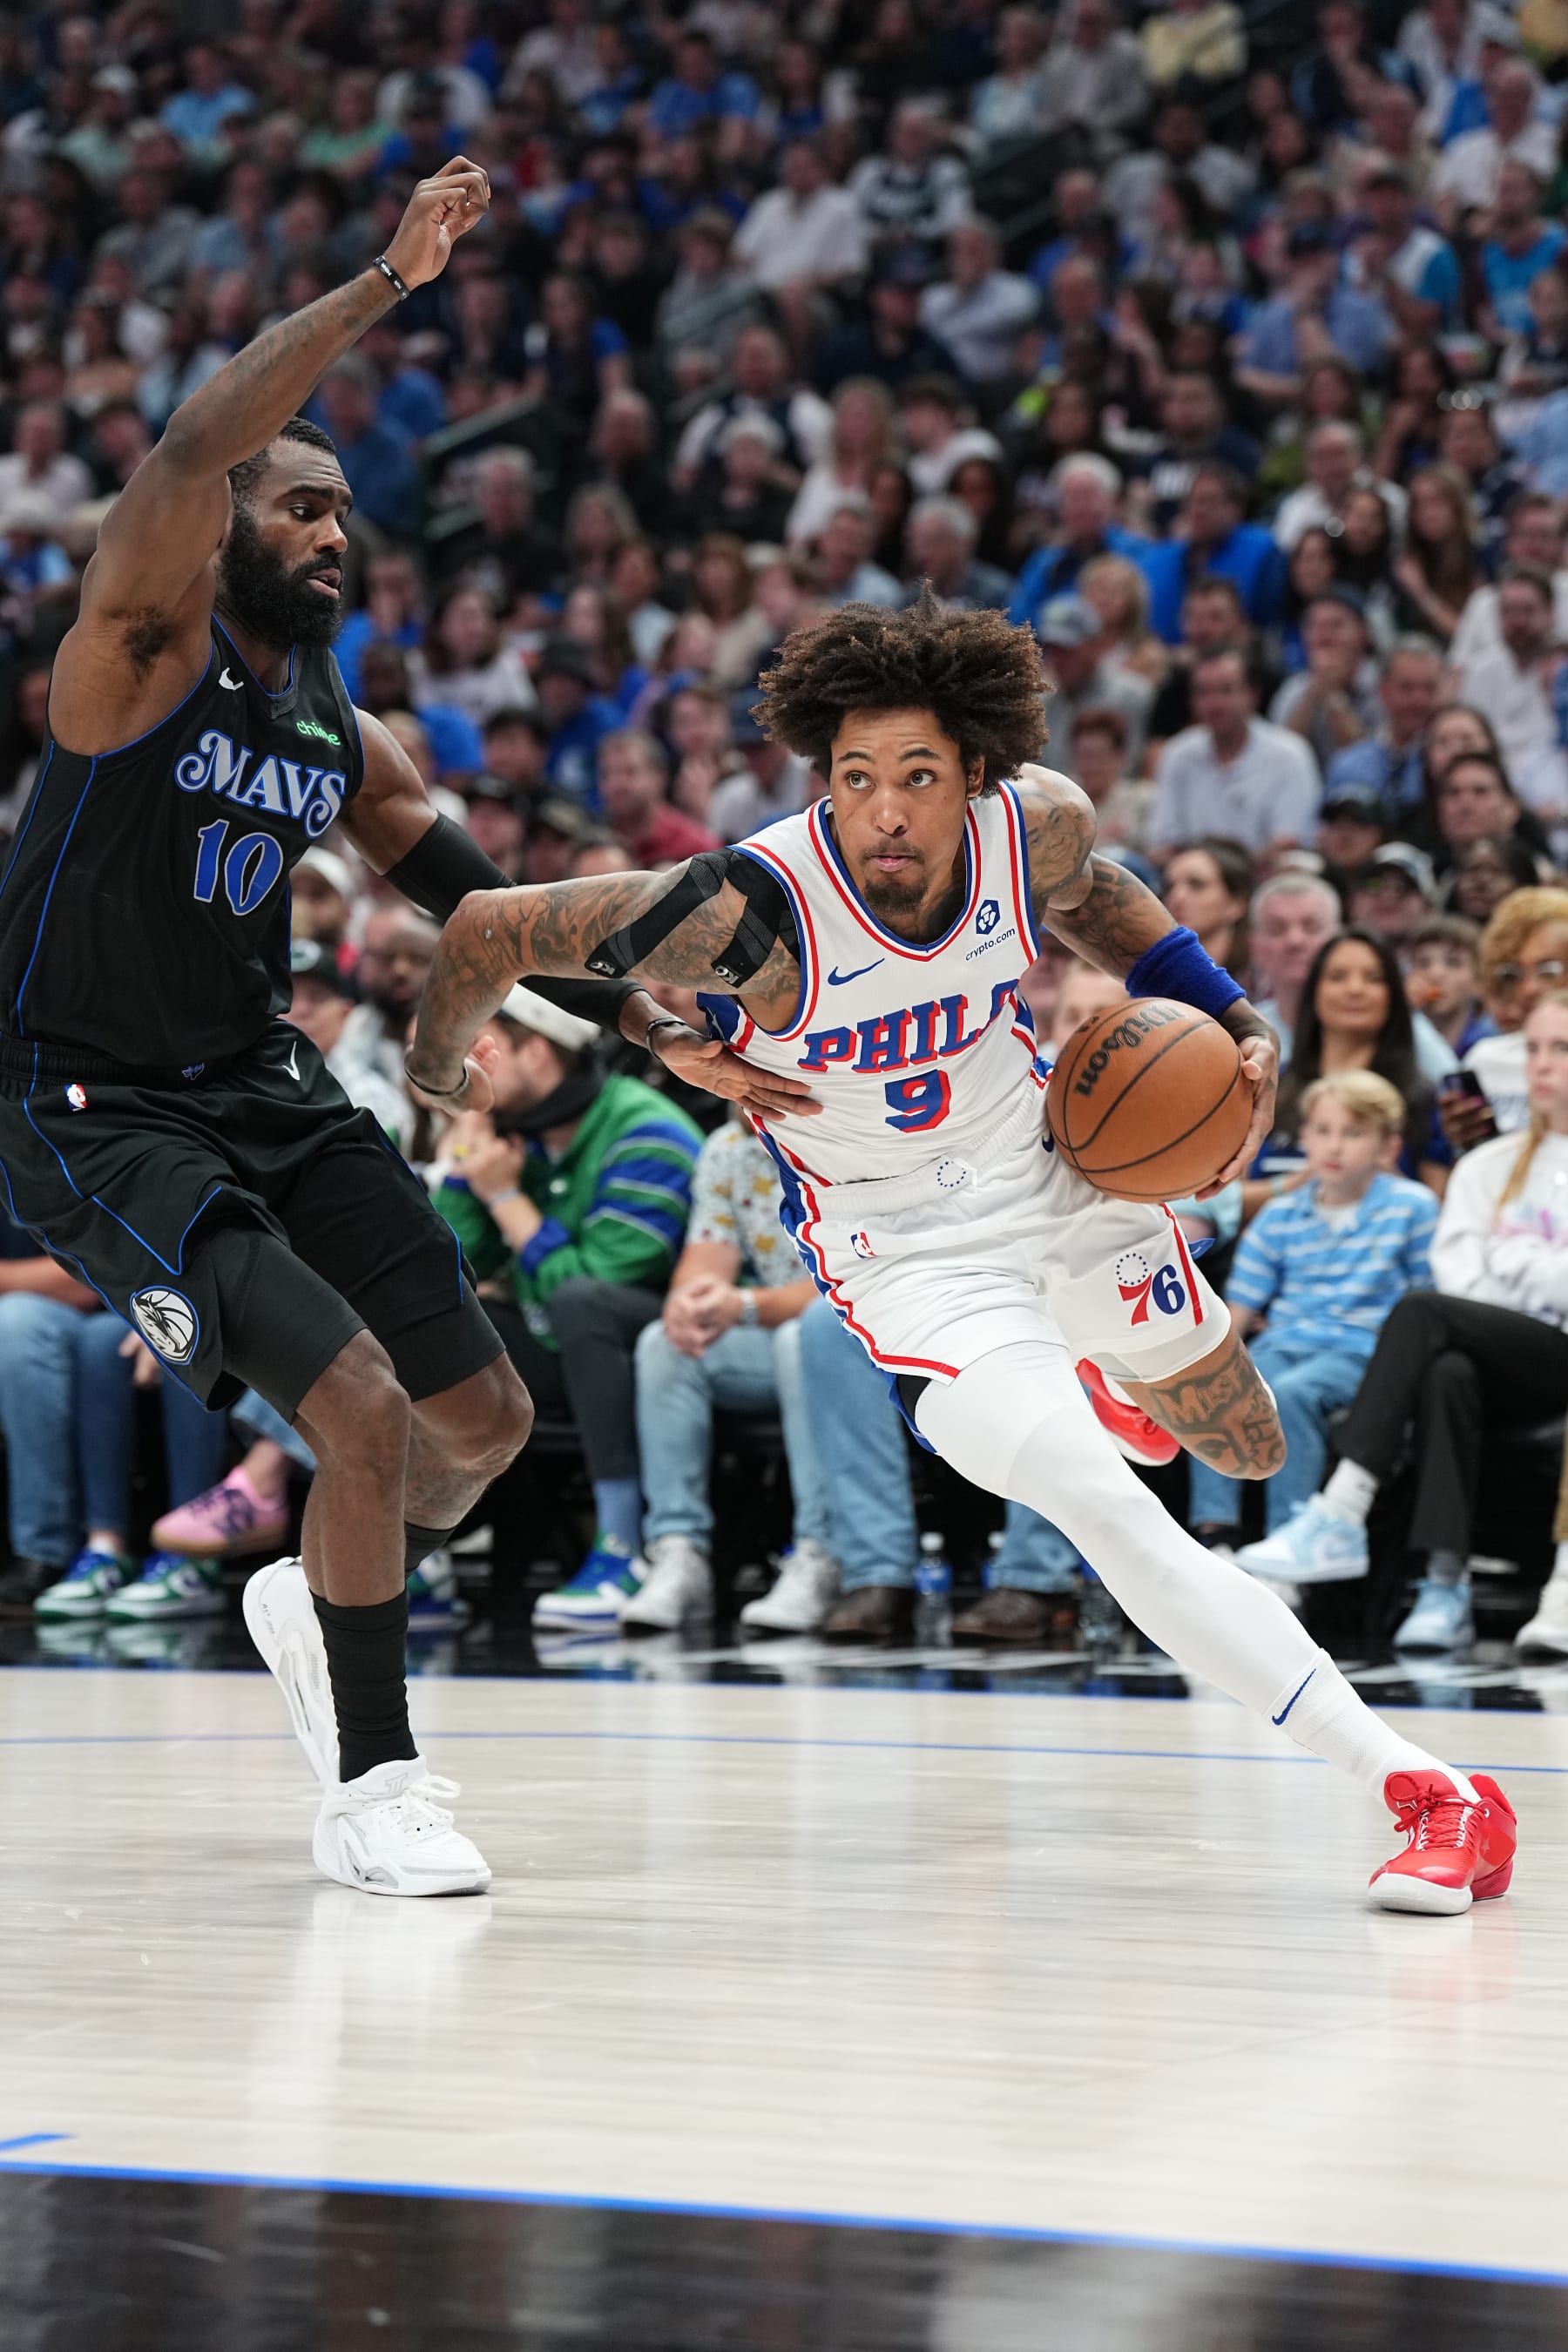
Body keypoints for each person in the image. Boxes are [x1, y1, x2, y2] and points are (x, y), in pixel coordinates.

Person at [409, 592, 1516, 1914]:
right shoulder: (751, 916)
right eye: (855, 777)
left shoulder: (1032, 827)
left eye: (919, 777)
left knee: (1247, 1443)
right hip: (912, 1258)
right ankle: (1427, 1789)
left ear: (977, 773)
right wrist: (486, 1065)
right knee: (1109, 1506)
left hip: (1059, 1178)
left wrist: (1229, 1017)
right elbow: (488, 930)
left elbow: (1096, 897)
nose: (883, 811)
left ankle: (1101, 1370)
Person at [0, 160, 760, 1896]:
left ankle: (316, 1589)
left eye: (346, 513)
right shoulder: (135, 648)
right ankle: (373, 1784)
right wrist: (384, 287)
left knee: (474, 1420)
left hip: (256, 1083)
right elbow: (189, 446)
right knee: (351, 1401)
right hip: (91, 1104)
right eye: (300, 508)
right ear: (223, 527)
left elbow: (485, 912)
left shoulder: (341, 728)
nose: (333, 534)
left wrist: (645, 1022)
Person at [1240, 991, 1568, 1658]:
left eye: (1560, 1049)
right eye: (1533, 1047)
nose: (1540, 1064)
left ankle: (1341, 1510)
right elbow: (1461, 1278)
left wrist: (1516, 1263)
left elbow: (1476, 1285)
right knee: (1448, 1370)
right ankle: (1444, 1588)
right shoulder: (1487, 1166)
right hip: (1500, 1349)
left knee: (1421, 1312)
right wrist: (1536, 1271)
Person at [436, 989, 706, 1630]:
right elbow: (446, 1265)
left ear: (536, 1051)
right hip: (558, 1339)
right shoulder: (513, 1134)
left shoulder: (649, 1132)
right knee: (430, 1319)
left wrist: (506, 1199)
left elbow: (596, 1282)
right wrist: (466, 1162)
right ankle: (419, 1555)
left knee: (583, 1303)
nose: (468, 1064)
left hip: (662, 1339)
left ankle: (621, 1548)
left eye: (485, 1047)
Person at [1187, 1071, 1438, 1550]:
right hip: (1285, 1343)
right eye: (1323, 1131)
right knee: (1218, 1388)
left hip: (1363, 1351)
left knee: (1291, 1395)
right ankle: (1216, 1533)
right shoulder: (1281, 1215)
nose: (1334, 1146)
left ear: (1388, 1146)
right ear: (1303, 1138)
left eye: (1354, 1133)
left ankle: (1291, 1540)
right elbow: (1239, 1309)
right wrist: (1214, 1364)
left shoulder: (1412, 1207)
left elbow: (1429, 1298)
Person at [624, 1112, 840, 1635]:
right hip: (773, 1324)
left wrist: (745, 1304)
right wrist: (689, 1301)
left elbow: (849, 1281)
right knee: (664, 1344)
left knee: (801, 1340)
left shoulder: (851, 1132)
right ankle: (679, 1554)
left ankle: (820, 1553)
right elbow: (706, 1258)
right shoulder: (728, 1147)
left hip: (864, 1339)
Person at [1147, 648, 1321, 857]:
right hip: (1192, 872)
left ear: (1253, 695)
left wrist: (1227, 870)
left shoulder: (1290, 754)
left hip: (1268, 874)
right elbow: (1163, 842)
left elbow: (1290, 842)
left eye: (1226, 691)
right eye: (1203, 693)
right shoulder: (1177, 754)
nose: (1214, 704)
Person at [1162, 836, 1253, 983]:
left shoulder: (1261, 982)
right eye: (1169, 887)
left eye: (1197, 885)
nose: (1176, 897)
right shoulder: (1151, 979)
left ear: (1236, 904)